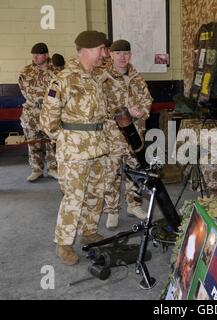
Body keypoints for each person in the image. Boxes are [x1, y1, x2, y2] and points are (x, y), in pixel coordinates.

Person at [40, 31, 109, 265]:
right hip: (74, 151)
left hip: (99, 147)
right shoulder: (64, 79)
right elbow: (48, 119)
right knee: (74, 197)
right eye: (102, 49)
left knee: (95, 192)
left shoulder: (97, 77)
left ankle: (89, 231)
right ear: (88, 50)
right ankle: (64, 243)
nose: (105, 54)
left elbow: (103, 114)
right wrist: (67, 139)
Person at [102, 39, 153, 229]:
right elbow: (100, 107)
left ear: (130, 55)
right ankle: (112, 211)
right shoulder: (103, 77)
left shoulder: (137, 77)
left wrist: (141, 112)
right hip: (113, 135)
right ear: (111, 54)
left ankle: (134, 205)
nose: (122, 57)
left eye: (126, 53)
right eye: (118, 53)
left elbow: (147, 99)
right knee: (112, 173)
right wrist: (126, 112)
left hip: (135, 134)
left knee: (135, 171)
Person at [18, 42, 58, 182]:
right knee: (33, 142)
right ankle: (37, 169)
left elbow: (59, 89)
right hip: (31, 113)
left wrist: (48, 100)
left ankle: (53, 169)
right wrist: (34, 100)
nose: (35, 57)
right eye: (33, 54)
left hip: (49, 112)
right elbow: (23, 89)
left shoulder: (56, 71)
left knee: (51, 142)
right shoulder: (26, 71)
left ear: (46, 55)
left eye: (38, 54)